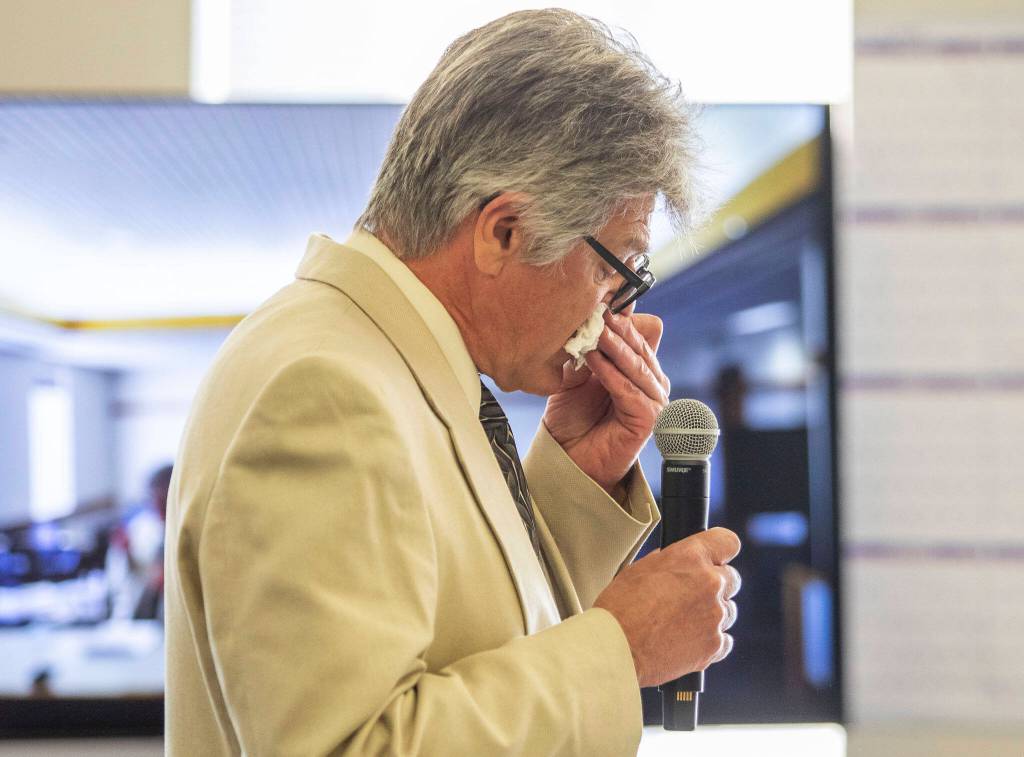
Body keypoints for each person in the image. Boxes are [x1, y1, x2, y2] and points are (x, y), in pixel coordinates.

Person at [165, 9, 741, 755]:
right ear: (503, 232)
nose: (619, 314)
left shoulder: (382, 361)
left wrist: (575, 480)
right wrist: (621, 649)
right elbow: (353, 745)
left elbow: (462, 638)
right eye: (616, 270)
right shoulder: (324, 392)